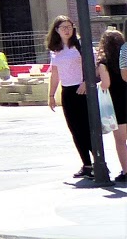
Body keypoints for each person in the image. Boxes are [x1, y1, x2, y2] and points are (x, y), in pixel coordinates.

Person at [46, 15, 95, 178]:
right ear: (57, 30)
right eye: (63, 27)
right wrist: (51, 95)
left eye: (69, 26)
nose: (67, 30)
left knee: (87, 128)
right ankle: (87, 164)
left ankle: (99, 162)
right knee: (75, 129)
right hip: (67, 91)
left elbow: (93, 65)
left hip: (83, 90)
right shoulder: (55, 50)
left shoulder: (80, 45)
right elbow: (55, 74)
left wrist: (86, 82)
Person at [99, 28, 127, 183]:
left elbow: (106, 84)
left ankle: (126, 171)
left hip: (117, 103)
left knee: (120, 141)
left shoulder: (104, 62)